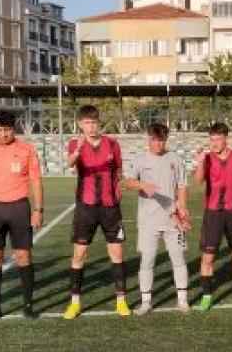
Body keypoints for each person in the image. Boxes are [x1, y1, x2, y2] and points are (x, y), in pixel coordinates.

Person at [0, 111, 44, 321]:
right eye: (0, 130)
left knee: (24, 256)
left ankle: (28, 305)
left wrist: (38, 210)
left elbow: (36, 181)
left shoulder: (26, 150)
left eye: (8, 130)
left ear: (15, 129)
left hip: (19, 208)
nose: (4, 134)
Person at [64, 105, 128, 319]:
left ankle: (121, 300)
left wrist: (118, 184)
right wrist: (78, 149)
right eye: (87, 123)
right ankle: (75, 302)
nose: (91, 127)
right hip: (86, 207)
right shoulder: (75, 143)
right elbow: (70, 164)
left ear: (98, 123)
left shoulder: (112, 143)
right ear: (80, 124)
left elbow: (118, 168)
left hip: (111, 208)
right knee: (79, 254)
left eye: (94, 122)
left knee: (117, 253)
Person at [123, 122, 191, 315]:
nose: (158, 144)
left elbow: (182, 185)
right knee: (147, 260)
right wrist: (142, 185)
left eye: (161, 140)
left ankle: (182, 300)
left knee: (178, 258)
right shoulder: (140, 160)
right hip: (148, 221)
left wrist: (183, 207)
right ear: (149, 139)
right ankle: (146, 302)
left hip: (173, 220)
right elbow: (127, 182)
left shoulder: (175, 159)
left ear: (166, 140)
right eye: (154, 140)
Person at [192, 122, 232, 311]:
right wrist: (201, 161)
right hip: (213, 214)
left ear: (226, 138)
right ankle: (206, 296)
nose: (214, 143)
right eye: (212, 139)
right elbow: (198, 181)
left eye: (218, 139)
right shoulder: (208, 158)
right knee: (208, 258)